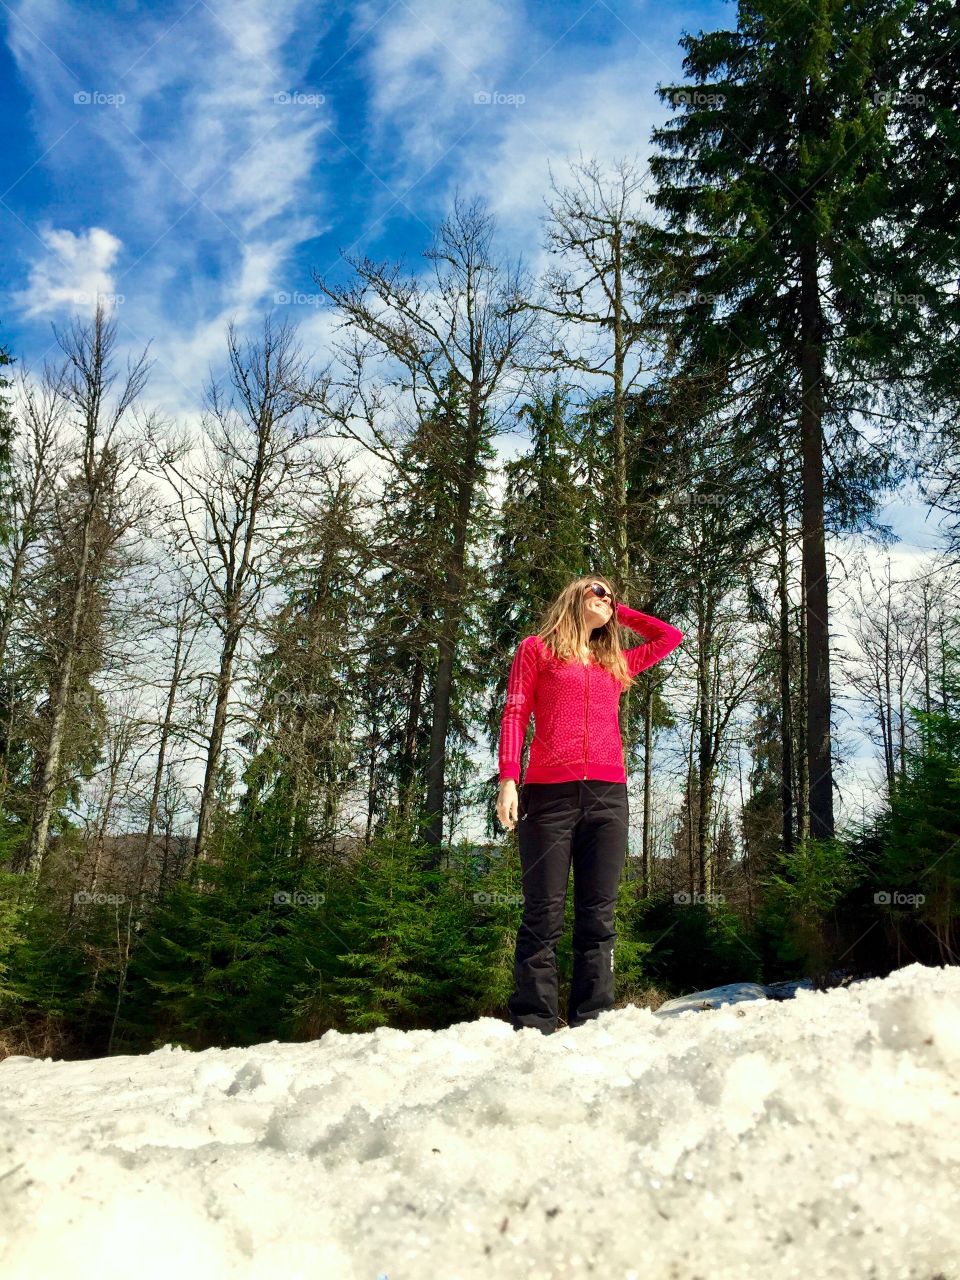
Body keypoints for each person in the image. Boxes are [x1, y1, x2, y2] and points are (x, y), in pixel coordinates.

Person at [495, 575, 683, 1034]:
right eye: (597, 590)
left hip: (608, 796)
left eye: (611, 596)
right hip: (548, 795)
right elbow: (515, 712)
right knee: (542, 913)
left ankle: (593, 1024)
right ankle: (533, 1026)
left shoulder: (615, 661)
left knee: (598, 916)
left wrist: (618, 611)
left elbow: (670, 636)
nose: (606, 598)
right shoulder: (536, 649)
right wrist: (508, 779)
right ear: (573, 597)